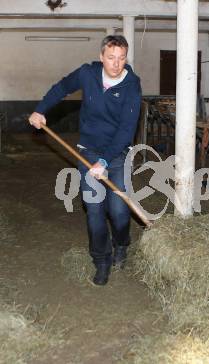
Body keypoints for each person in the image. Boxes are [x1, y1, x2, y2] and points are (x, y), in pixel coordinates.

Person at [28, 35, 142, 286]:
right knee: (94, 208)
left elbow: (126, 130)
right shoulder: (87, 74)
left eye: (121, 58)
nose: (116, 63)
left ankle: (121, 244)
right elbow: (62, 87)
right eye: (111, 57)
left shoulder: (132, 86)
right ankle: (101, 260)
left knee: (120, 210)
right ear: (101, 57)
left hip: (117, 153)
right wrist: (40, 109)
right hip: (88, 150)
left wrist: (105, 160)